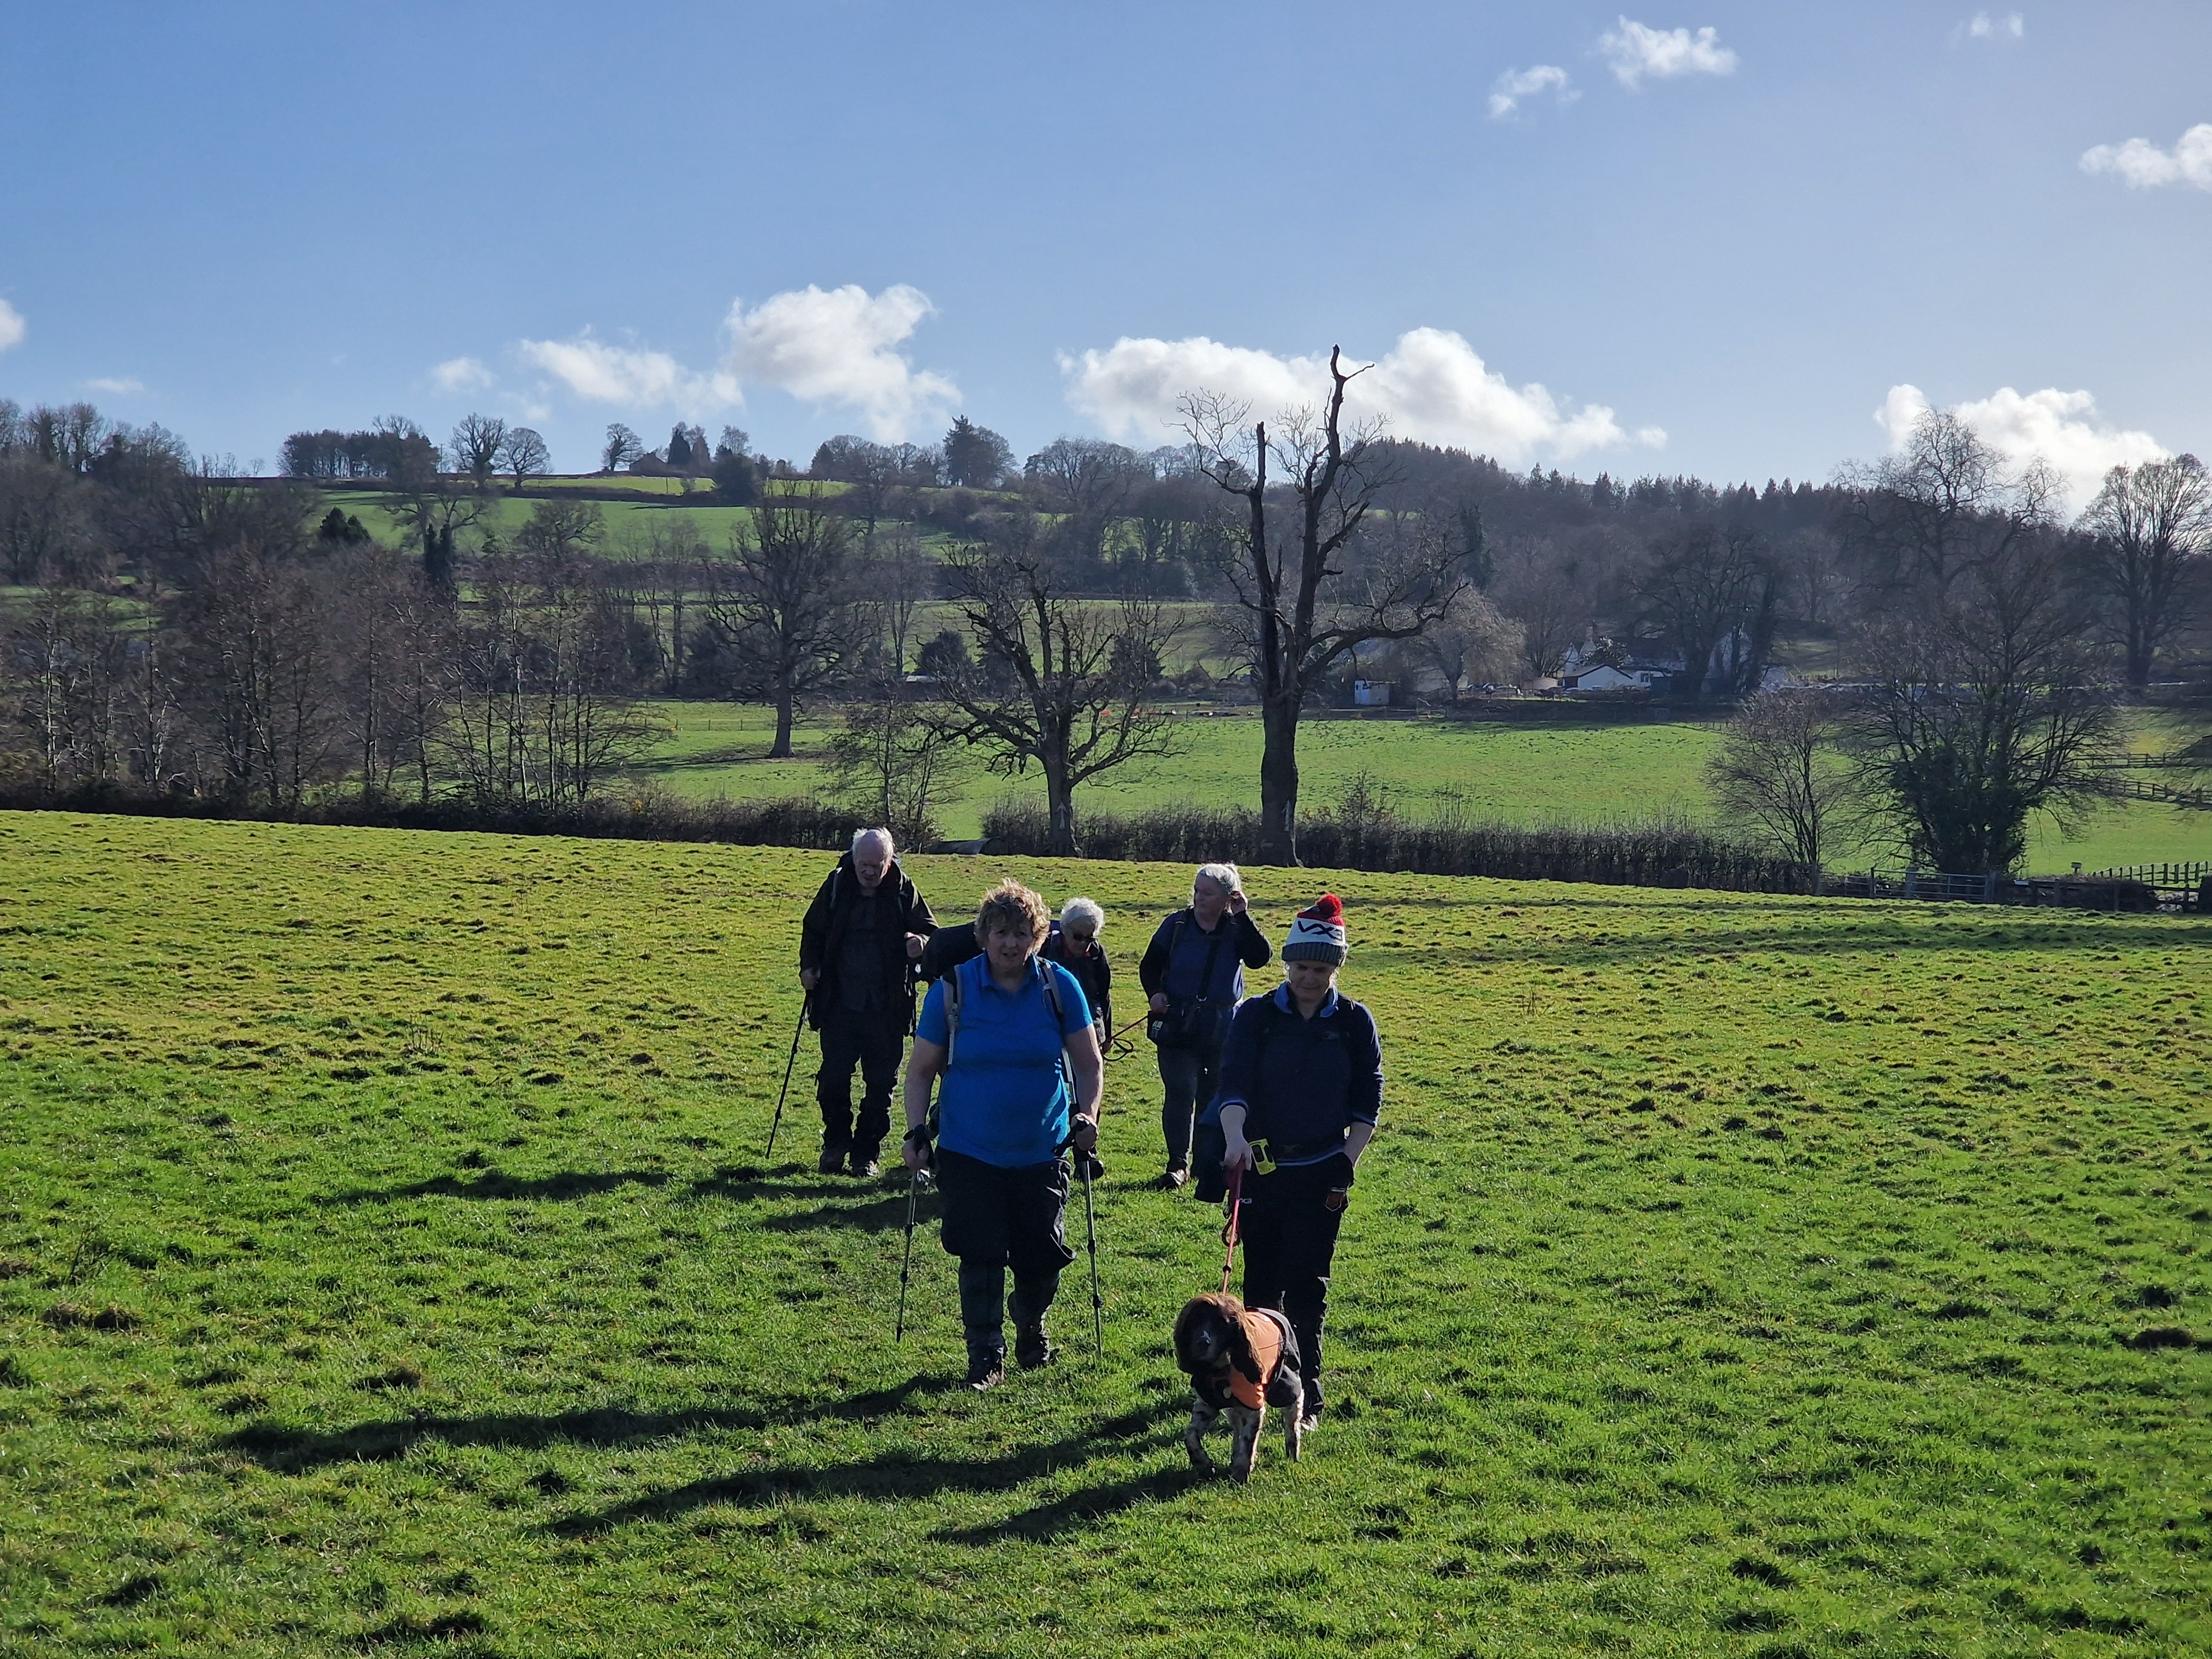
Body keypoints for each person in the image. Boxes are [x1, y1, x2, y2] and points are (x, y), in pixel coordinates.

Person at [904, 880, 1103, 1389]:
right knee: (981, 1254)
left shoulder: (1059, 987)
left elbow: (1088, 1063)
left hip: (1043, 1149)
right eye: (1000, 932)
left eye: (1021, 933)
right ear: (984, 935)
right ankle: (985, 1356)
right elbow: (922, 1069)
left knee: (1043, 1257)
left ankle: (1030, 1319)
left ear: (1037, 937)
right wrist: (916, 1130)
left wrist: (1088, 1116)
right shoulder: (954, 988)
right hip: (969, 1149)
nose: (1010, 943)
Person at [1214, 894, 1380, 1434]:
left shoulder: (1354, 1023)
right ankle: (1257, 1384)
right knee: (1262, 1284)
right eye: (1302, 967)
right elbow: (1233, 1084)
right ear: (1287, 964)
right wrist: (1235, 1139)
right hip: (1262, 1168)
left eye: (1321, 970)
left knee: (1308, 1286)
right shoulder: (1255, 1016)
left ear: (1336, 969)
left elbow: (1368, 1099)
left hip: (1323, 1170)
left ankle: (1307, 1392)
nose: (1310, 979)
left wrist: (1347, 1161)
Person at [797, 828, 934, 1178]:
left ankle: (866, 1154)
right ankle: (835, 1145)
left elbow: (931, 932)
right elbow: (813, 930)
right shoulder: (837, 885)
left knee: (881, 1086)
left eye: (877, 865)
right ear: (854, 859)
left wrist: (920, 942)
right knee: (832, 1080)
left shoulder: (903, 889)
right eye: (864, 864)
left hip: (888, 1008)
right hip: (839, 1003)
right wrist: (808, 968)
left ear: (889, 862)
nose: (870, 872)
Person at [1138, 863, 1270, 1188]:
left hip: (1223, 1026)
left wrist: (1243, 915)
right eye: (1197, 891)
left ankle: (1203, 1163)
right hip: (1177, 1024)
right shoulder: (1176, 925)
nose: (1198, 898)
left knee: (1214, 1096)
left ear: (1228, 897)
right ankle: (1177, 1165)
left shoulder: (1237, 928)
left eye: (1207, 893)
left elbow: (1260, 958)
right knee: (1181, 1090)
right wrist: (1155, 993)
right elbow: (1150, 965)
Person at [1041, 896, 1113, 1054]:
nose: (1083, 943)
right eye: (1078, 937)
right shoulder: (1046, 949)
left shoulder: (1096, 954)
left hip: (1090, 1026)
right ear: (1065, 930)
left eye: (1089, 938)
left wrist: (1108, 1034)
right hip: (1052, 1028)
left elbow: (1104, 995)